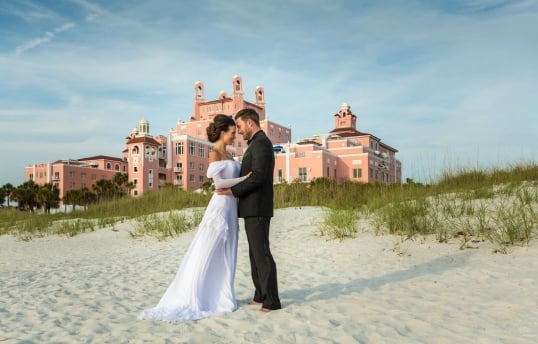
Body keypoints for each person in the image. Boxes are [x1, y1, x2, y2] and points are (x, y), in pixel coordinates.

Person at [139, 114, 251, 321]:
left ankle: (221, 295)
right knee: (206, 250)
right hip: (220, 206)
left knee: (227, 252)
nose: (235, 135)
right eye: (233, 132)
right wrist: (245, 179)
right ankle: (197, 294)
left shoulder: (229, 155)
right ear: (223, 131)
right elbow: (218, 184)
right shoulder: (215, 154)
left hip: (231, 207)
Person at [217, 108, 281, 312]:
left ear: (250, 123)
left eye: (240, 126)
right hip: (251, 208)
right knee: (255, 254)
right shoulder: (255, 143)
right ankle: (260, 294)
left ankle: (272, 301)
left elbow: (258, 177)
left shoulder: (261, 144)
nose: (238, 130)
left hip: (258, 208)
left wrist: (232, 190)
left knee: (262, 254)